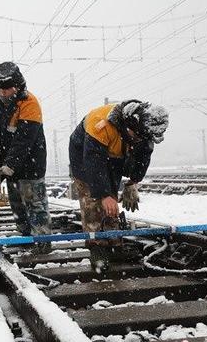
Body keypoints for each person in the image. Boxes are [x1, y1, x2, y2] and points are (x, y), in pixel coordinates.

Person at [68, 99, 169, 270]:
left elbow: (143, 156)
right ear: (130, 126)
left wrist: (132, 183)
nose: (140, 141)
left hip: (114, 155)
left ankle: (113, 240)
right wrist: (103, 194)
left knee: (111, 200)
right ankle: (97, 245)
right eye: (137, 137)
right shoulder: (101, 125)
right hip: (85, 158)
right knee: (93, 200)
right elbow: (94, 163)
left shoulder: (144, 131)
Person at [0, 62, 52, 254]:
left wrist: (9, 165)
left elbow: (24, 140)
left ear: (17, 86)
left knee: (34, 203)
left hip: (31, 163)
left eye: (6, 89)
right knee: (17, 204)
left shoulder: (30, 103)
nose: (2, 93)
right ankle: (24, 236)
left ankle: (42, 240)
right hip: (8, 162)